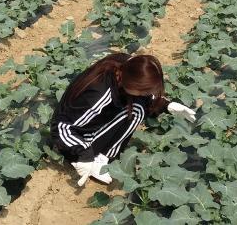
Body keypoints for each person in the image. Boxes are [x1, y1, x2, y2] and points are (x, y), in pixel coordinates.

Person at [50, 53, 197, 186]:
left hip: (90, 125)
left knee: (138, 105)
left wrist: (166, 105)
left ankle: (102, 156)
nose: (148, 93)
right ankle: (97, 158)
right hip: (73, 141)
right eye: (145, 90)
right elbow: (61, 128)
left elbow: (145, 95)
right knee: (136, 110)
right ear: (132, 85)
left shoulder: (126, 66)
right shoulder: (98, 96)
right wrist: (84, 155)